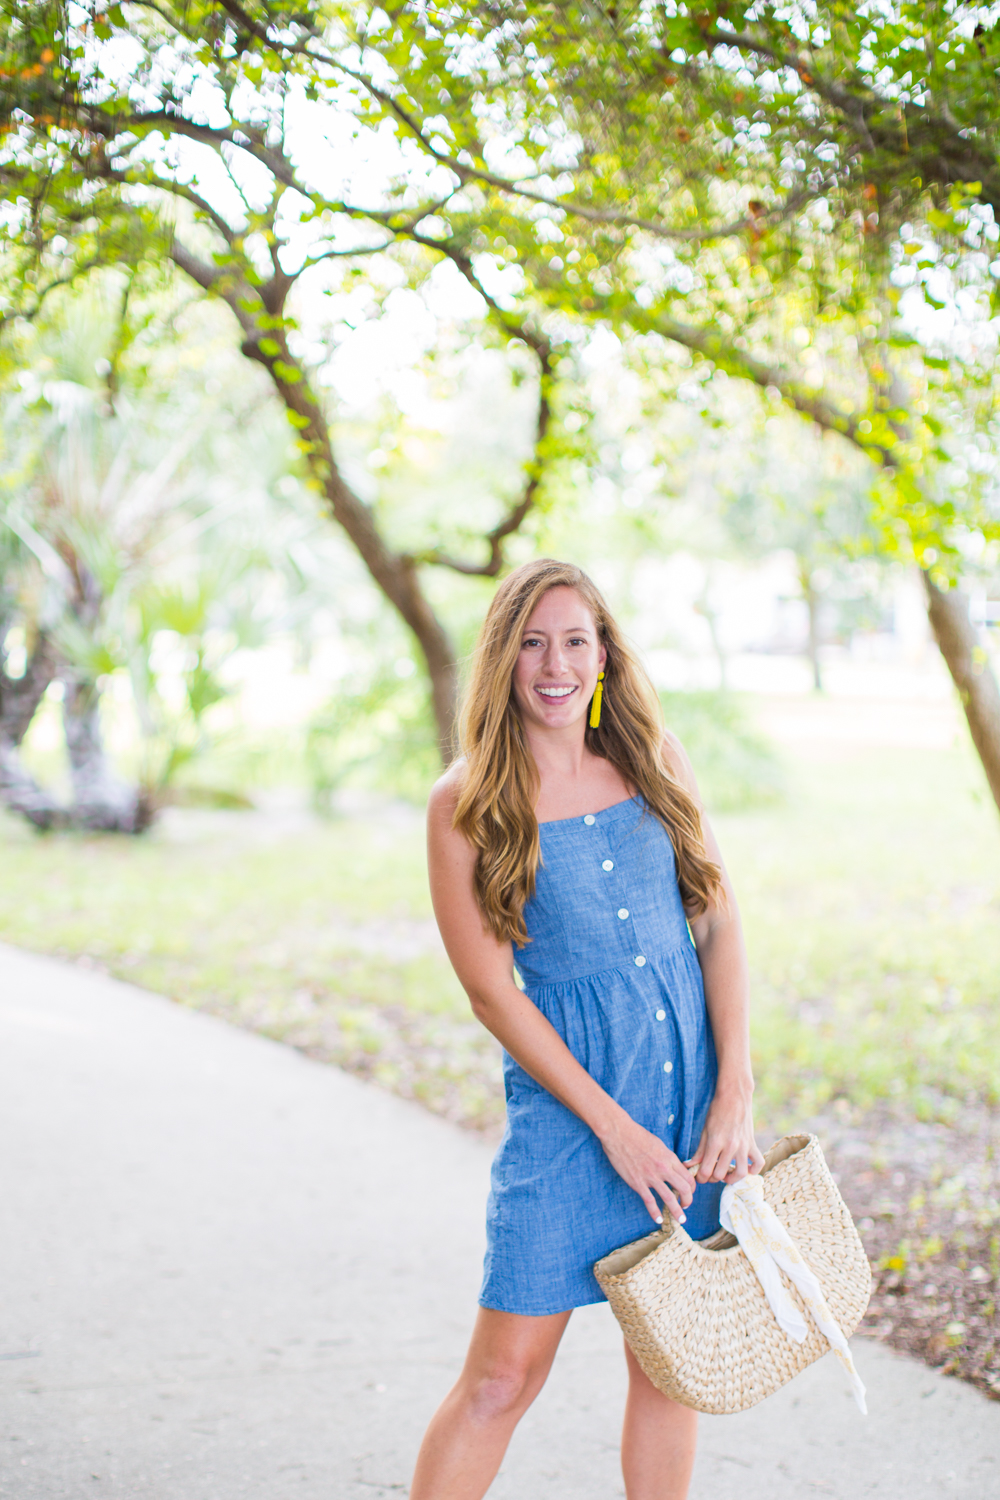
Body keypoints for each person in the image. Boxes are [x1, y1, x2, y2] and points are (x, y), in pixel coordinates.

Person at [411, 559, 764, 1500]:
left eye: (575, 639)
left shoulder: (654, 757)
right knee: (499, 1380)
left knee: (668, 1362)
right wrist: (612, 1127)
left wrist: (735, 1091)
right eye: (531, 642)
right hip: (574, 1122)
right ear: (502, 659)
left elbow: (718, 918)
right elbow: (493, 995)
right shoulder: (465, 803)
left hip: (688, 1106)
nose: (555, 664)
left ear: (604, 653)